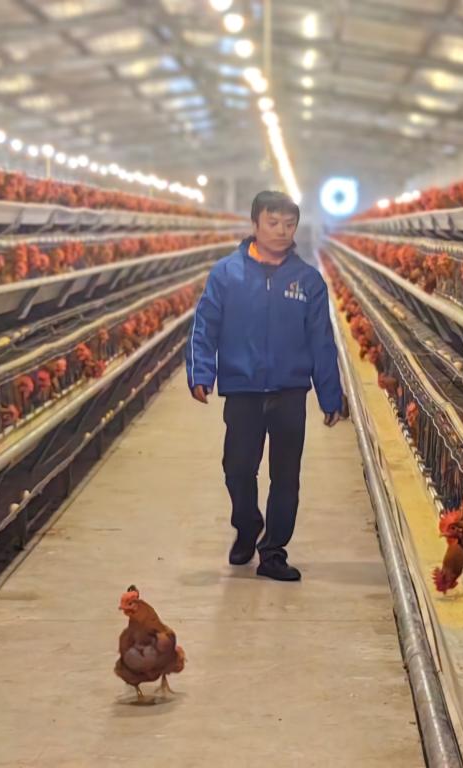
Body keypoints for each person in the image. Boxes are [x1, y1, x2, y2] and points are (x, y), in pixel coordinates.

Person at [186, 190, 345, 581]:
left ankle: (273, 551)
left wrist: (330, 394)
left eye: (289, 224)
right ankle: (247, 524)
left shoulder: (308, 280)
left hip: (290, 391)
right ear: (255, 224)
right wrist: (201, 372)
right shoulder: (227, 274)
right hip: (243, 389)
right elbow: (205, 326)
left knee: (285, 476)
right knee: (238, 469)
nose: (281, 231)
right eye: (273, 223)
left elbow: (321, 341)